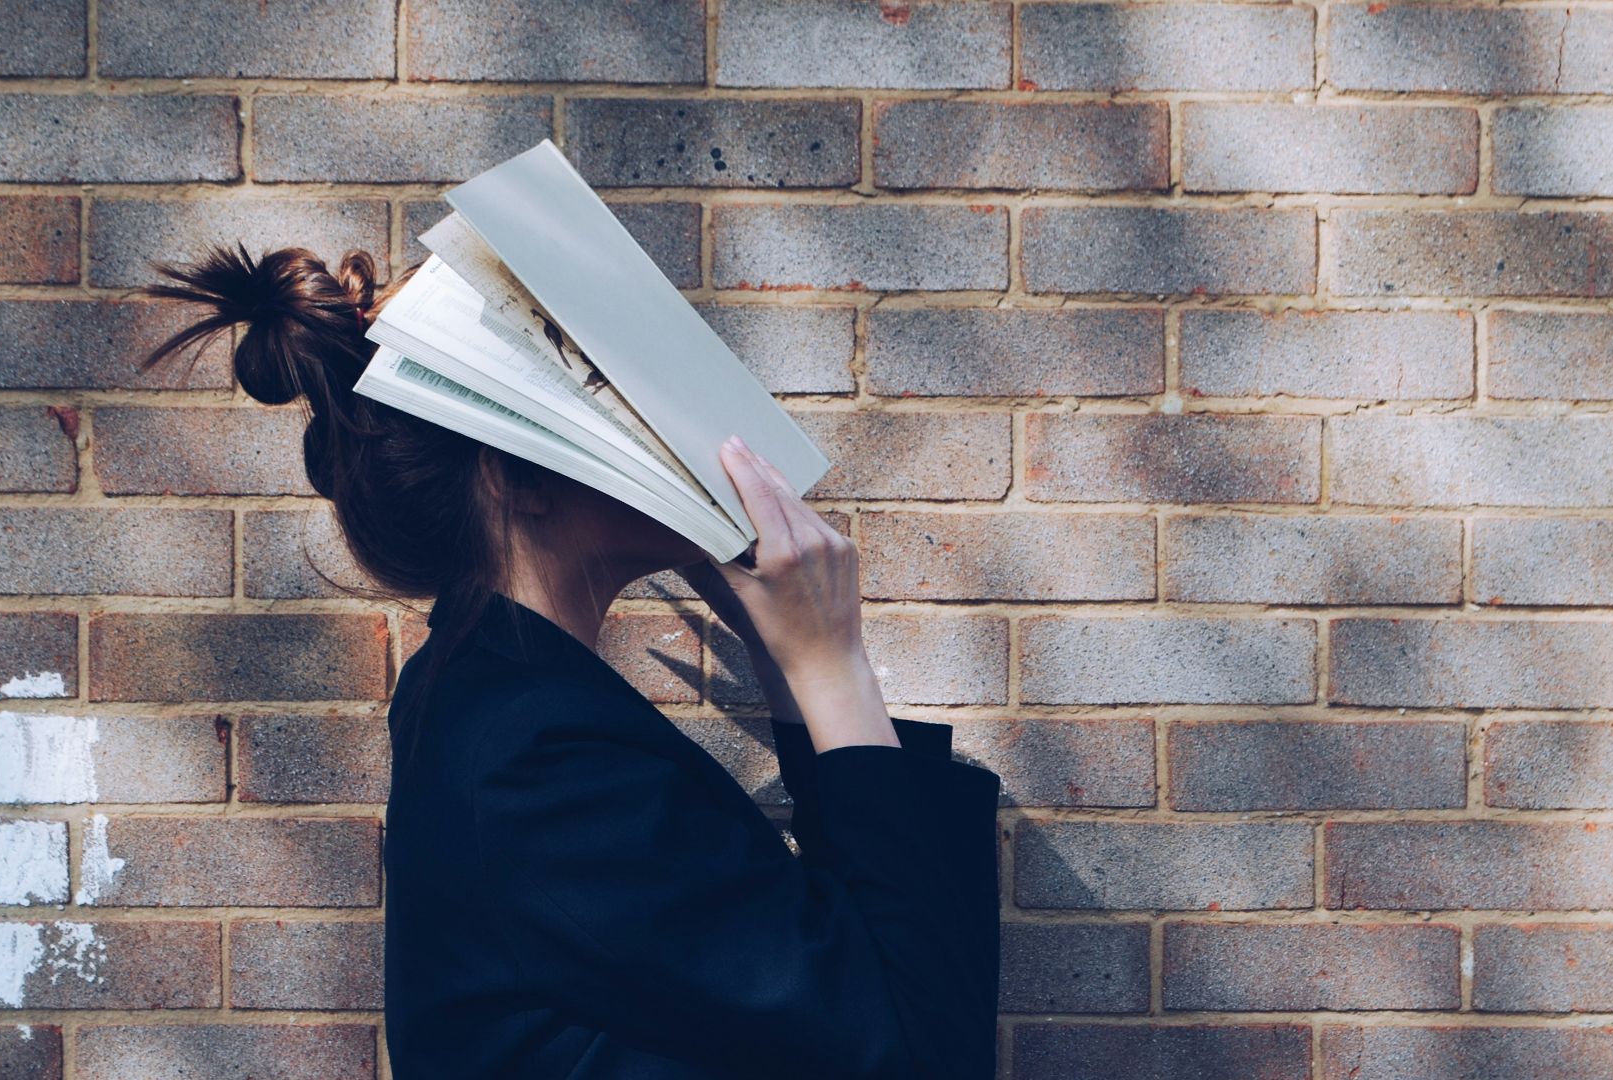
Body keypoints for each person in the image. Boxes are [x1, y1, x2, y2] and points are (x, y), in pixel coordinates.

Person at [140, 243, 1002, 1079]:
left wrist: (785, 654)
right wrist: (831, 665)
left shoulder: (502, 706)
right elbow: (919, 1045)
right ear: (519, 477)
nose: (664, 424)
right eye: (606, 398)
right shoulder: (535, 764)